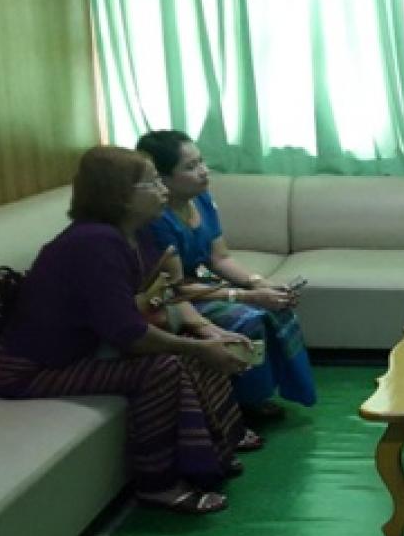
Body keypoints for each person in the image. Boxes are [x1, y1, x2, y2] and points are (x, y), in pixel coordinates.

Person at [0, 146, 257, 515]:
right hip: (29, 369)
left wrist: (209, 332)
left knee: (195, 344)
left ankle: (216, 451)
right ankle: (157, 485)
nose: (163, 190)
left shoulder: (134, 235)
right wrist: (196, 347)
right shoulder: (94, 244)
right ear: (120, 196)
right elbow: (130, 335)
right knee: (163, 368)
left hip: (82, 351)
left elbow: (160, 295)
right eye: (152, 184)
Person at [136, 130, 317, 425]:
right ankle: (243, 405)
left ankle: (269, 393)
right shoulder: (156, 219)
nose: (204, 171)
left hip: (201, 285)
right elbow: (175, 288)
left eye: (201, 161)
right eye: (191, 167)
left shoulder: (202, 198)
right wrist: (245, 296)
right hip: (175, 298)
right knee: (249, 318)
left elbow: (219, 258)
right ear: (163, 178)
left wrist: (259, 283)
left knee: (279, 308)